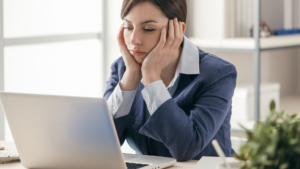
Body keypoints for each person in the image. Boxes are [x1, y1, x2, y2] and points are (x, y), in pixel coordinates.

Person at [103, 0, 237, 162]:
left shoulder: (218, 74)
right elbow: (99, 145)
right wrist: (130, 77)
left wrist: (151, 76)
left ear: (178, 30)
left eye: (148, 29)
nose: (134, 40)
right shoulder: (123, 69)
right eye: (128, 27)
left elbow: (186, 148)